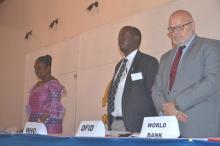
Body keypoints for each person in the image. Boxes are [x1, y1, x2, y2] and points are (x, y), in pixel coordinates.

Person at [152, 10, 220, 138]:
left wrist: (176, 104)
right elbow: (156, 90)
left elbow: (212, 82)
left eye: (179, 27)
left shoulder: (212, 47)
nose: (175, 33)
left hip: (200, 127)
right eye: (171, 29)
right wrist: (166, 110)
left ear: (193, 25)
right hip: (170, 129)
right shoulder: (165, 57)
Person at [107, 26, 159, 132]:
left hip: (138, 126)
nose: (119, 38)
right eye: (119, 36)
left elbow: (155, 95)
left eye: (124, 35)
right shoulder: (119, 65)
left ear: (136, 38)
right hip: (115, 124)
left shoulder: (148, 62)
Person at [27, 55, 65, 134]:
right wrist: (32, 124)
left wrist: (38, 122)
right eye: (35, 68)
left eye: (39, 68)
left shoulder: (54, 84)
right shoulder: (37, 85)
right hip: (36, 125)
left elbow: (53, 109)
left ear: (48, 68)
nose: (36, 71)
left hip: (49, 127)